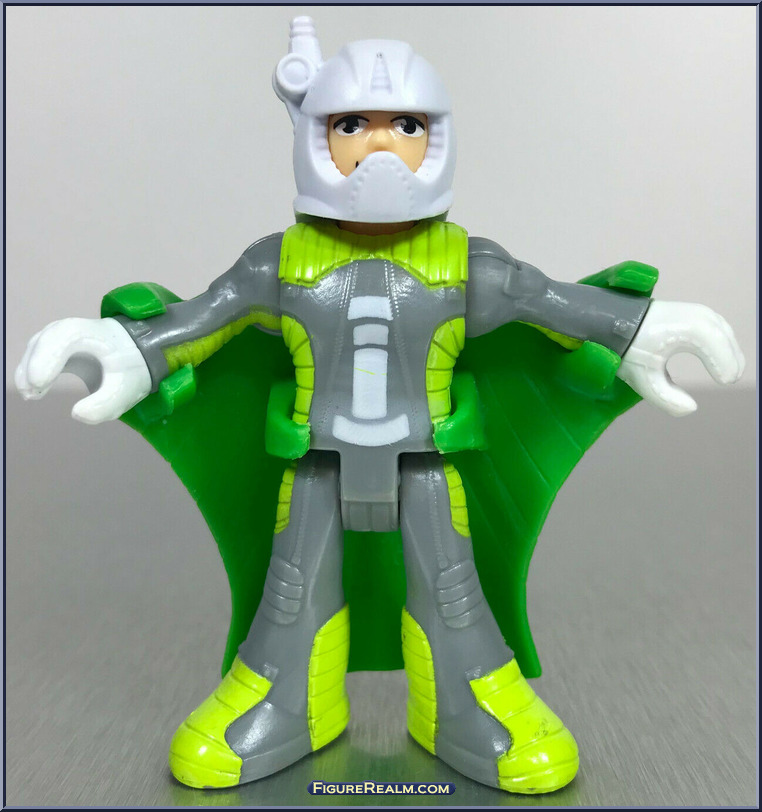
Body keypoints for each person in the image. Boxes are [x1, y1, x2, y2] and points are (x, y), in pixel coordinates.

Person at [15, 17, 744, 794]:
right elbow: (202, 318)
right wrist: (125, 349)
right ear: (314, 136)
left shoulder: (466, 264)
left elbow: (556, 304)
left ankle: (466, 699)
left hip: (427, 468)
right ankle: (285, 698)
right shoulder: (280, 265)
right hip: (315, 471)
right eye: (352, 124)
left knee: (452, 594)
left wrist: (640, 328)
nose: (381, 144)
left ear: (437, 137)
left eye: (406, 124)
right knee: (292, 595)